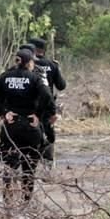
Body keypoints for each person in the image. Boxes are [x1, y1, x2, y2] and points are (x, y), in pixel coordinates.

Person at [0, 49, 54, 202]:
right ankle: (26, 200)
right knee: (29, 168)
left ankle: (7, 199)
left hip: (11, 126)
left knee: (9, 165)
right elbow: (47, 96)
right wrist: (38, 114)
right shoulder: (35, 78)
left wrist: (4, 112)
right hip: (30, 127)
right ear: (29, 62)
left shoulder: (6, 77)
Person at [29, 37, 66, 178]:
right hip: (47, 106)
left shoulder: (28, 64)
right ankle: (47, 169)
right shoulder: (52, 64)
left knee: (31, 133)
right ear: (44, 50)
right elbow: (61, 86)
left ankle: (29, 165)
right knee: (48, 135)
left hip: (30, 107)